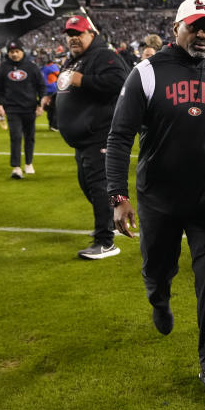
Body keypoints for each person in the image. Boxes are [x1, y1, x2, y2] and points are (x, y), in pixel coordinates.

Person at [106, 0, 205, 399]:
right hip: (159, 199)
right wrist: (118, 196)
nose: (202, 34)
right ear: (177, 28)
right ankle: (159, 297)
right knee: (158, 268)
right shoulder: (147, 73)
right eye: (195, 26)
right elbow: (119, 138)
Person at [55, 14, 128, 259]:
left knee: (98, 187)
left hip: (98, 135)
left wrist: (83, 80)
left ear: (92, 34)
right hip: (82, 138)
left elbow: (122, 81)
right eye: (70, 35)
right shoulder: (76, 59)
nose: (74, 38)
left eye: (79, 33)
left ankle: (105, 241)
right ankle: (110, 223)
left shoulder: (104, 55)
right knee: (89, 186)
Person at [0, 39, 44, 179]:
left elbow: (41, 86)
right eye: (11, 52)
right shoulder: (3, 68)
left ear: (22, 51)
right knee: (15, 137)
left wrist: (41, 104)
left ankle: (28, 163)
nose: (14, 54)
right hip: (12, 108)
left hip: (29, 107)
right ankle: (16, 167)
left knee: (29, 137)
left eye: (17, 51)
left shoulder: (31, 67)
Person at [40, 54, 60, 131]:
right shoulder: (53, 66)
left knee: (49, 109)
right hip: (53, 89)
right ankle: (54, 125)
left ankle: (51, 124)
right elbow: (59, 74)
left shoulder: (43, 68)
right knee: (55, 108)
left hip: (45, 90)